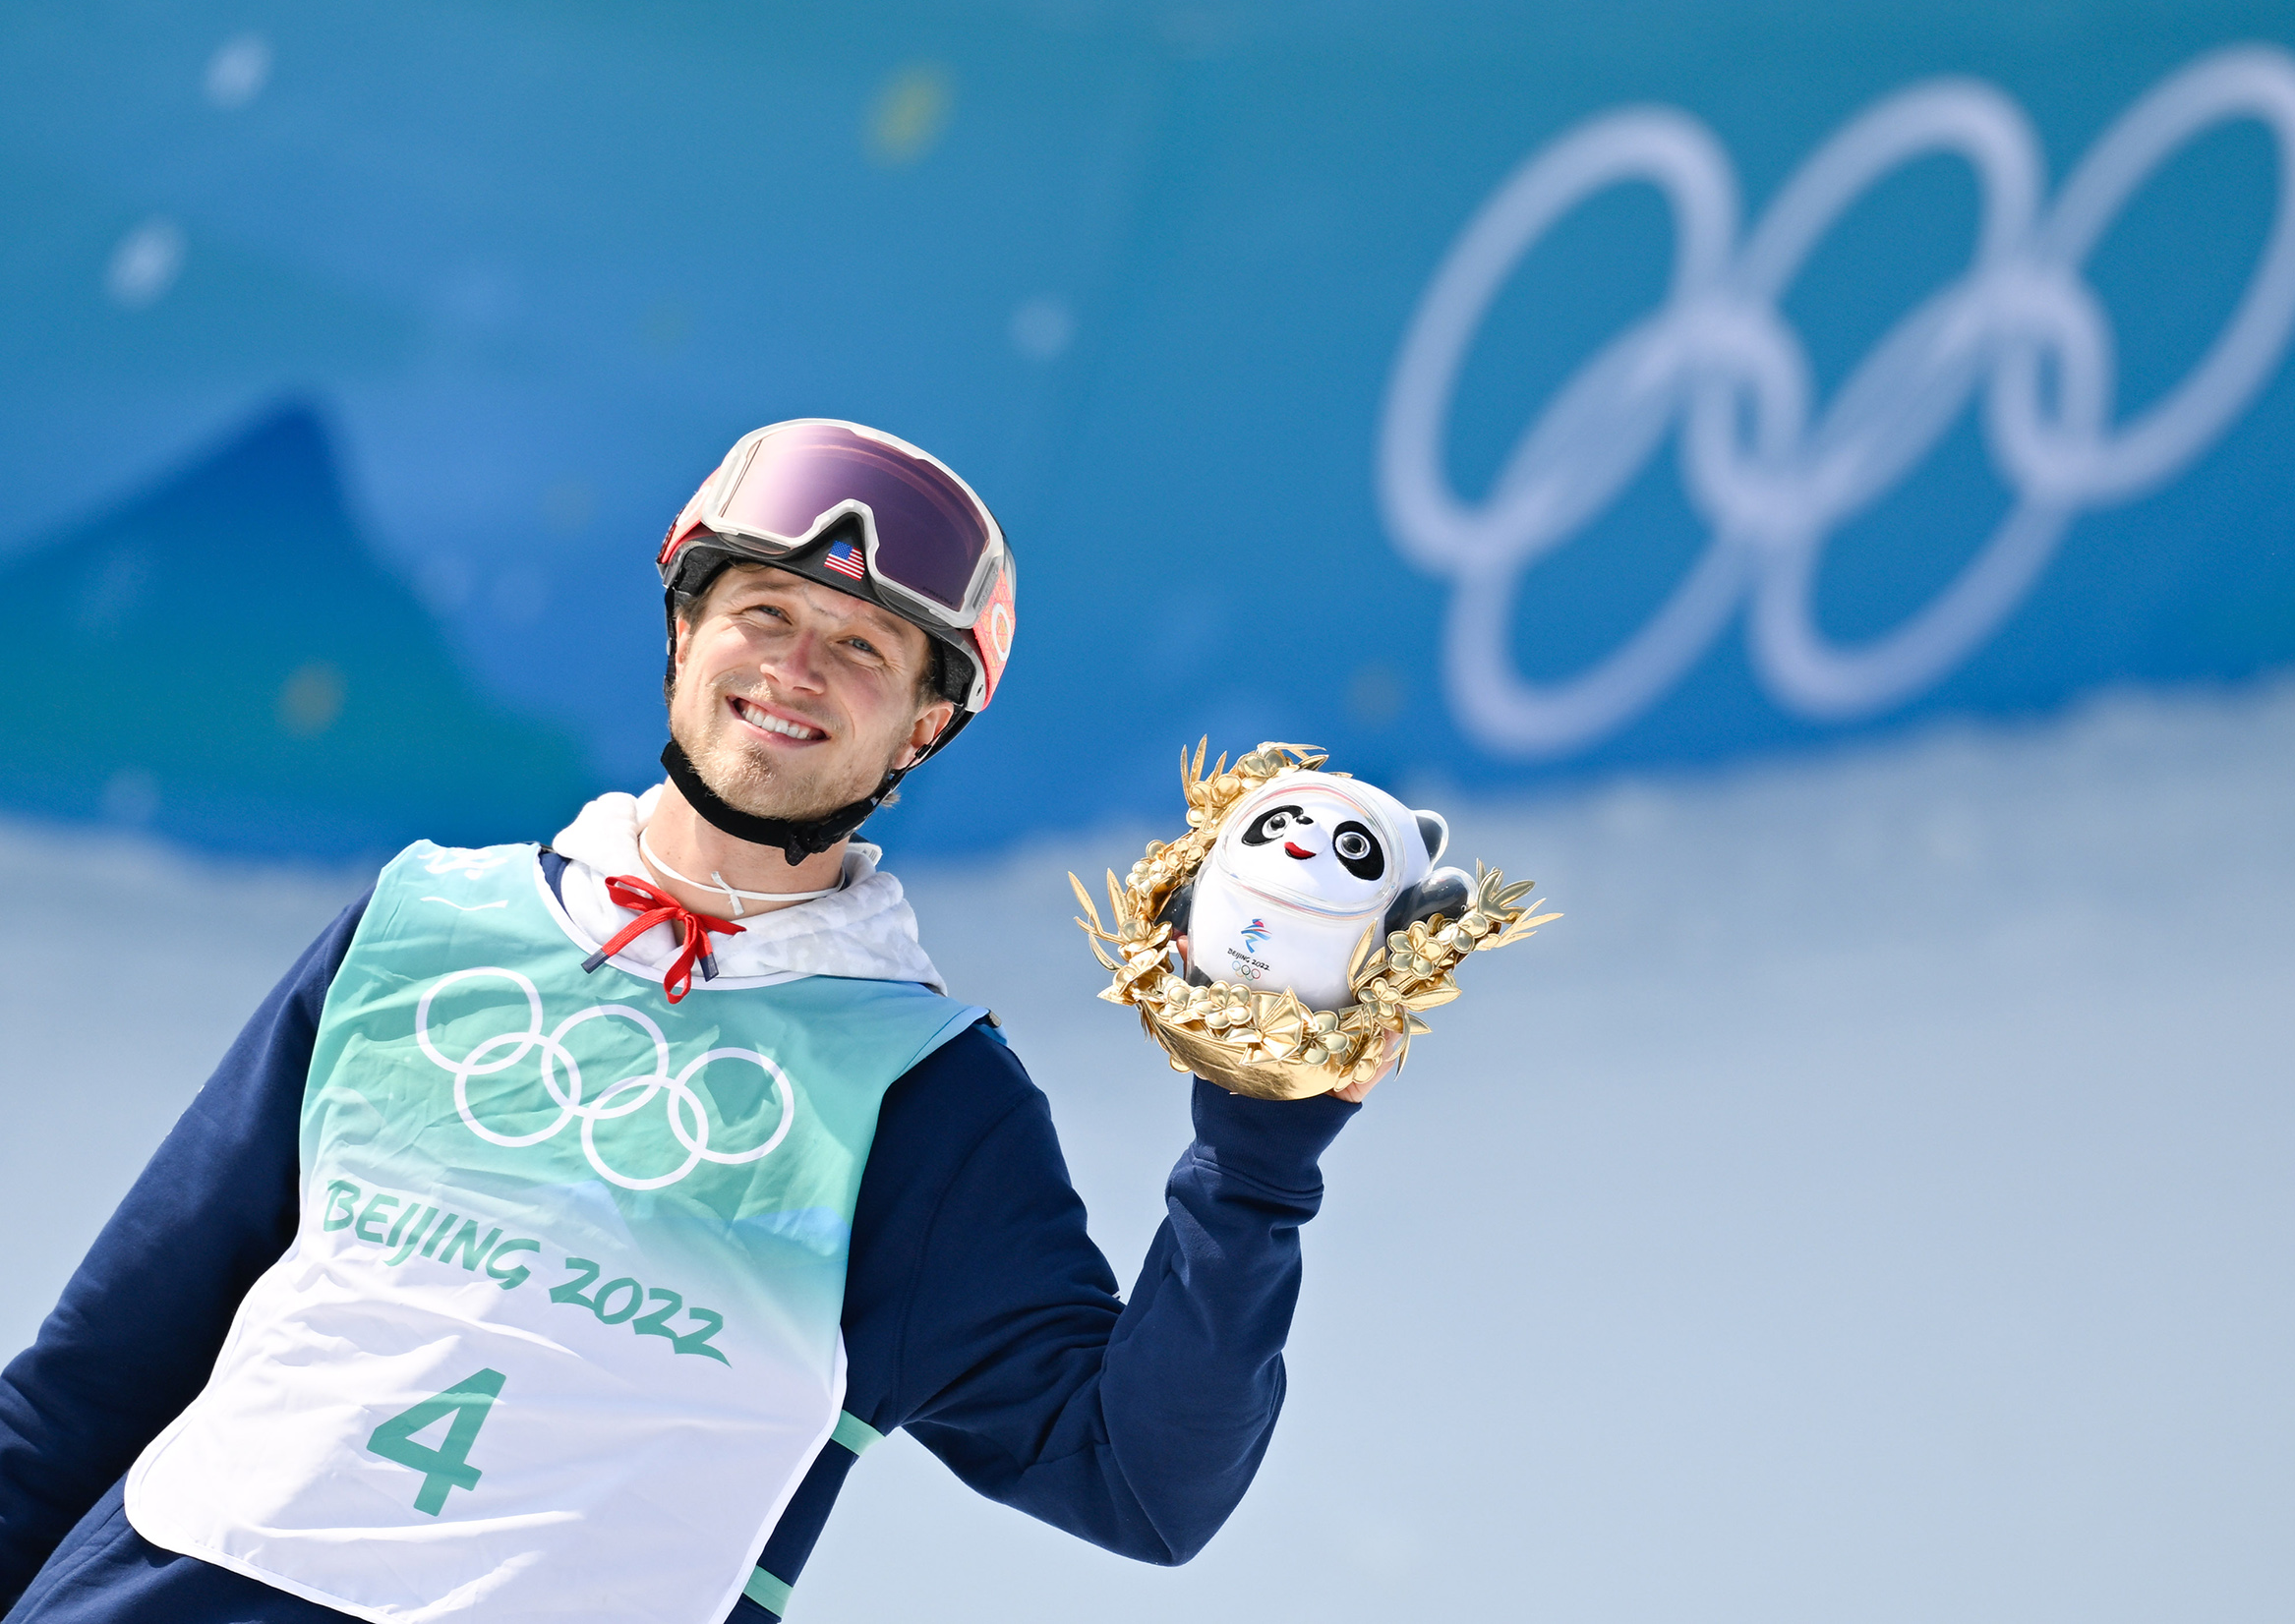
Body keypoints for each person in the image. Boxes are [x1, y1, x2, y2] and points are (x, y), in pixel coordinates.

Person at [0, 420, 1383, 1624]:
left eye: (862, 648)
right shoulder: (419, 928)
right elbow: (90, 1382)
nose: (797, 669)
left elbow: (1137, 1482)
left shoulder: (922, 1102)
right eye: (763, 615)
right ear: (682, 631)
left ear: (921, 731)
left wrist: (1258, 1165)